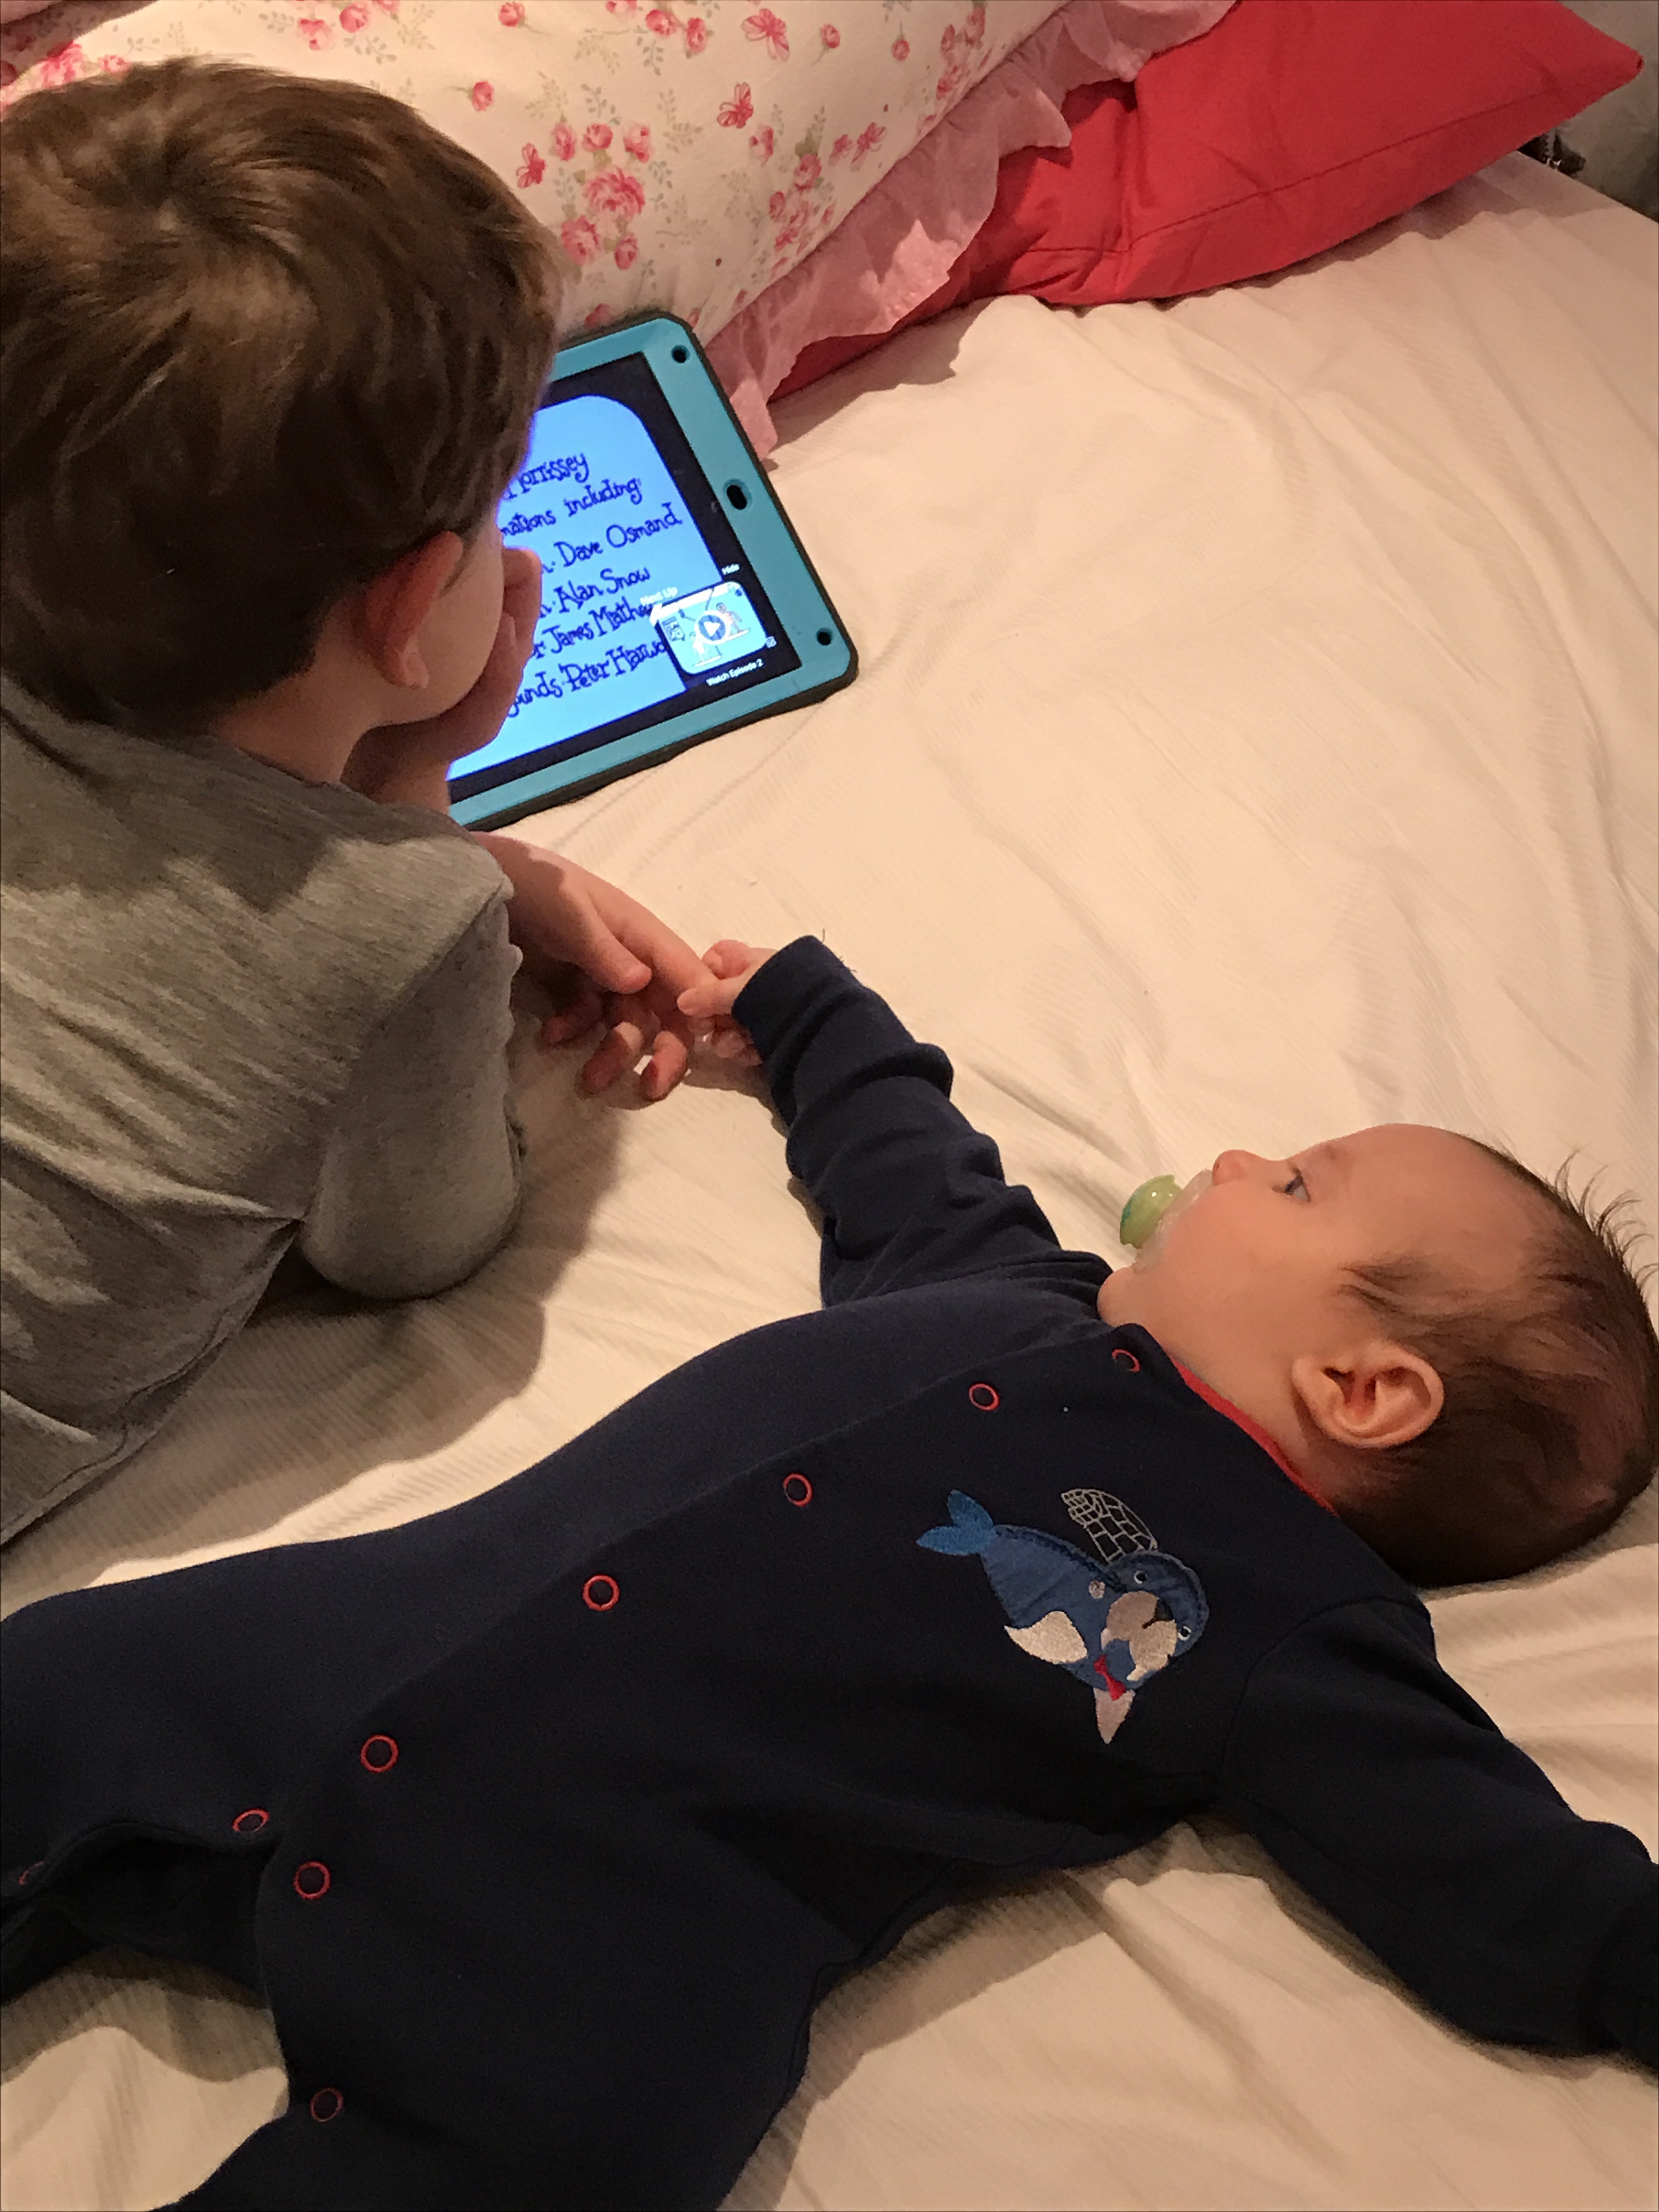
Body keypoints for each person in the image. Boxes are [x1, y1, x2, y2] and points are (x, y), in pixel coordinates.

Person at [4, 935, 1655, 2211]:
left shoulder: (1284, 1616)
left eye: (1295, 1185)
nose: (1229, 1162)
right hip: (339, 1650)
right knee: (60, 1690)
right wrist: (805, 1009)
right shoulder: (1007, 1287)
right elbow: (907, 1155)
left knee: (577, 2141)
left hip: (607, 1912)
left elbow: (1502, 1880)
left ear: (1364, 1390)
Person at [0, 59, 715, 1545]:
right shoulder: (396, 930)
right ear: (409, 608)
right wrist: (415, 805)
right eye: (493, 515)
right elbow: (416, 1248)